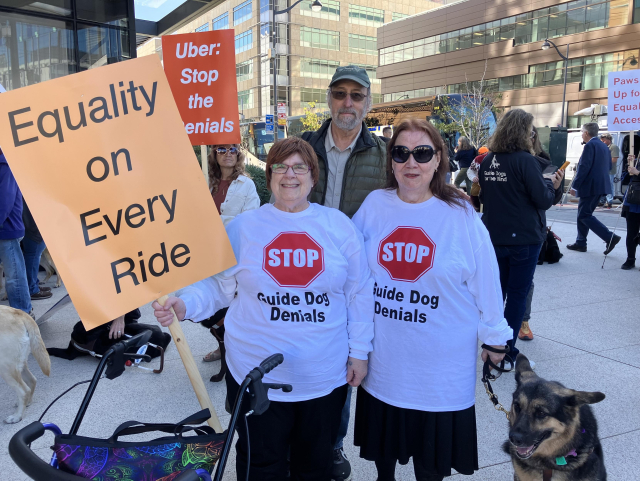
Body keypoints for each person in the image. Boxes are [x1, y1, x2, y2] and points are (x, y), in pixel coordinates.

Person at [152, 137, 374, 481]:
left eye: (300, 166)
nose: (290, 175)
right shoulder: (245, 228)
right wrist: (185, 304)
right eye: (281, 167)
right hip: (256, 376)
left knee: (314, 466)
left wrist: (359, 352)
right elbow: (219, 287)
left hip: (323, 377)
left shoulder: (338, 227)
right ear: (269, 176)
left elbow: (359, 293)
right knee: (260, 464)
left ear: (313, 177)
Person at [352, 119, 512, 481]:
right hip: (387, 360)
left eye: (422, 153)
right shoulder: (375, 206)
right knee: (385, 461)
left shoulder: (460, 214)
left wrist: (494, 337)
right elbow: (353, 274)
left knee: (430, 469)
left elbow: (486, 280)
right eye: (401, 152)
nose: (412, 162)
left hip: (440, 367)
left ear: (439, 158)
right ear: (391, 160)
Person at [301, 64, 386, 479]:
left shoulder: (384, 154)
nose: (347, 102)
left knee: (345, 360)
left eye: (356, 95)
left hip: (355, 277)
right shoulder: (303, 147)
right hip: (303, 270)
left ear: (367, 102)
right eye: (340, 94)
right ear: (329, 100)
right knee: (304, 354)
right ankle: (295, 440)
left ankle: (331, 445)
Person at [479, 109, 563, 366]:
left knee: (496, 295)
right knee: (516, 297)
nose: (531, 134)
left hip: (494, 236)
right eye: (530, 130)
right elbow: (543, 200)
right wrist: (552, 184)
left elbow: (484, 197)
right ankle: (505, 353)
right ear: (522, 131)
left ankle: (491, 346)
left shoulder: (488, 159)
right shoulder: (525, 161)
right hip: (524, 239)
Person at [202, 144, 260, 363]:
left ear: (239, 155)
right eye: (221, 149)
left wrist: (217, 223)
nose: (228, 153)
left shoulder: (247, 185)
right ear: (214, 154)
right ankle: (221, 342)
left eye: (233, 149)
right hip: (207, 251)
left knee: (233, 301)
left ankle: (234, 347)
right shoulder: (204, 181)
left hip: (234, 252)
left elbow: (250, 220)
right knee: (213, 301)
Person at [518, 126, 565, 342]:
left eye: (531, 134)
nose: (529, 138)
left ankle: (523, 320)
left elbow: (550, 201)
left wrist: (555, 186)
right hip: (504, 227)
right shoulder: (502, 159)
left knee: (527, 280)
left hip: (532, 227)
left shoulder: (544, 162)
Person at [567, 123, 621, 254]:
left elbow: (584, 167)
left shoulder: (590, 145)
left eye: (582, 132)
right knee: (583, 213)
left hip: (590, 186)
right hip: (600, 185)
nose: (581, 134)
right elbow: (608, 166)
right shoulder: (604, 146)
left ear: (586, 133)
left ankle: (609, 237)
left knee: (584, 215)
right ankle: (580, 242)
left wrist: (575, 185)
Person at [0, 148, 33, 318]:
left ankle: (24, 315)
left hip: (8, 230)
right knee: (14, 275)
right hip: (5, 229)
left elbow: (5, 200)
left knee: (14, 277)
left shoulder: (6, 165)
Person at [21, 200, 52, 300]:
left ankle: (33, 285)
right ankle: (32, 289)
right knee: (33, 256)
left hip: (32, 227)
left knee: (34, 256)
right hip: (33, 228)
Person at [621, 153, 640, 270]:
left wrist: (638, 172)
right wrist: (629, 165)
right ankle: (630, 259)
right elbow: (625, 179)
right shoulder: (636, 161)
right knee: (631, 233)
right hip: (633, 202)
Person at [600, 133, 619, 208]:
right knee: (603, 185)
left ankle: (609, 200)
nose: (602, 142)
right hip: (603, 169)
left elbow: (614, 159)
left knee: (609, 185)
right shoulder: (604, 146)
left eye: (604, 140)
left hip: (609, 170)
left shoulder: (613, 147)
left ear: (609, 140)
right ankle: (602, 200)